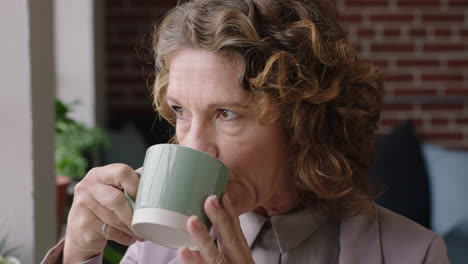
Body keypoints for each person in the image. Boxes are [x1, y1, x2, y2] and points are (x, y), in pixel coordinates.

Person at [43, 0, 449, 263]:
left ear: (301, 123)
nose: (194, 146)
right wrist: (78, 256)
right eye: (181, 111)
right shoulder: (155, 249)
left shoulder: (415, 253)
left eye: (226, 114)